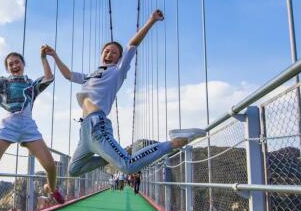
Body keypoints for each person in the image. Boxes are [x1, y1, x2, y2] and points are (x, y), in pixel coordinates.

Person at [42, 9, 206, 177]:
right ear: (101, 54)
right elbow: (68, 75)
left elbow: (132, 46)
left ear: (119, 59)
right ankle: (111, 156)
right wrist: (53, 56)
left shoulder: (117, 71)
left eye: (114, 53)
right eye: (106, 51)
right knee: (73, 170)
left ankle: (172, 142)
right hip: (84, 131)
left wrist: (151, 20)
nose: (109, 54)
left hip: (98, 126)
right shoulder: (90, 76)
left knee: (127, 166)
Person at [0, 43, 64, 204]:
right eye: (11, 64)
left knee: (50, 166)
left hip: (28, 127)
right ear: (8, 69)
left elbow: (49, 78)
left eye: (17, 62)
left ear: (23, 64)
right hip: (9, 125)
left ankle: (51, 188)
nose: (15, 65)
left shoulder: (31, 85)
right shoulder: (3, 82)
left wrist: (43, 58)